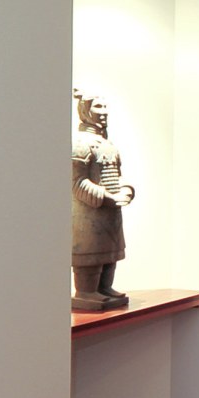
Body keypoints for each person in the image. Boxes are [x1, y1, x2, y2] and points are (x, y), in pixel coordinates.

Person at [71, 88, 134, 311]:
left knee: (109, 254)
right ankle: (86, 291)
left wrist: (126, 190)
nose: (103, 111)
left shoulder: (108, 144)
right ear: (85, 110)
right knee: (90, 254)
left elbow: (118, 175)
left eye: (105, 107)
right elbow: (77, 182)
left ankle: (105, 288)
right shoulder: (80, 143)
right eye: (98, 107)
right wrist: (106, 197)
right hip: (89, 213)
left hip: (111, 211)